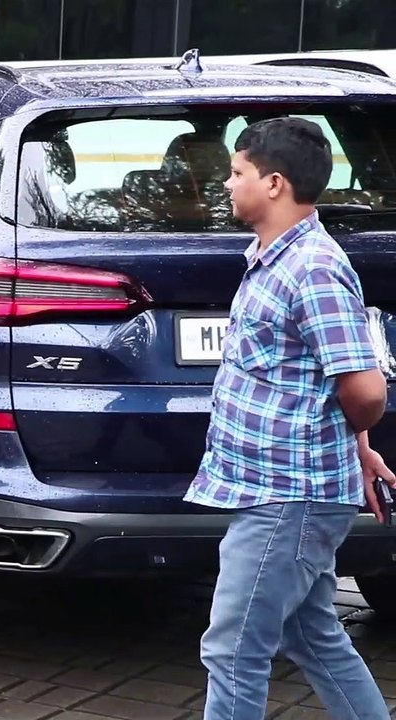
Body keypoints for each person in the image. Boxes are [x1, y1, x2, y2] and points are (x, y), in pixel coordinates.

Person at [186, 116, 394, 717]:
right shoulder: (272, 258)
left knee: (232, 650)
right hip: (280, 489)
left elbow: (363, 386)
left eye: (236, 172)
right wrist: (359, 448)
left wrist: (357, 434)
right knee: (313, 636)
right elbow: (315, 382)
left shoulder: (313, 269)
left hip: (288, 497)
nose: (227, 184)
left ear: (274, 183)